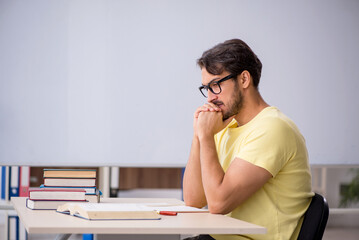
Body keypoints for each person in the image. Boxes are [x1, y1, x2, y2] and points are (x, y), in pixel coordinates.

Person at [183, 39, 314, 240]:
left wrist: (207, 136)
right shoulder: (226, 127)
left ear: (244, 79)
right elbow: (193, 200)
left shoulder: (272, 127)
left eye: (216, 85)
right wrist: (199, 134)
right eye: (206, 88)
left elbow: (218, 203)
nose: (209, 98)